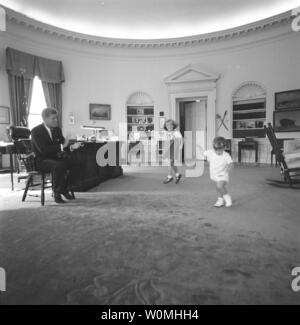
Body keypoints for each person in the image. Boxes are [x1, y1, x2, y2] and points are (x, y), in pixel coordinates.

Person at [31, 108, 82, 204]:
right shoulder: (36, 131)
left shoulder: (57, 130)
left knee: (76, 162)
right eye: (53, 118)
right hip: (41, 161)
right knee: (59, 165)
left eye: (56, 118)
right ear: (45, 119)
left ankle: (64, 188)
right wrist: (63, 146)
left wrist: (72, 147)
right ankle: (57, 193)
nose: (56, 120)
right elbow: (43, 150)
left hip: (55, 159)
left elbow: (63, 146)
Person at [204, 137, 233, 207]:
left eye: (221, 150)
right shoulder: (210, 152)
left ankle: (227, 197)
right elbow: (203, 153)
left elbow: (230, 163)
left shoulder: (226, 155)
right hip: (215, 175)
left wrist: (229, 168)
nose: (218, 152)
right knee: (218, 188)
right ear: (214, 148)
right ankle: (220, 200)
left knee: (219, 186)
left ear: (224, 148)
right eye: (216, 150)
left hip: (223, 174)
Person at [162, 119, 183, 184]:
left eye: (170, 125)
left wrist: (181, 146)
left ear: (173, 125)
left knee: (170, 162)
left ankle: (169, 177)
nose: (169, 126)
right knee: (172, 163)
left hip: (174, 148)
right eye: (167, 125)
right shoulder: (166, 132)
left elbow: (181, 139)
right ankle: (177, 175)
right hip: (168, 148)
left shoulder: (176, 132)